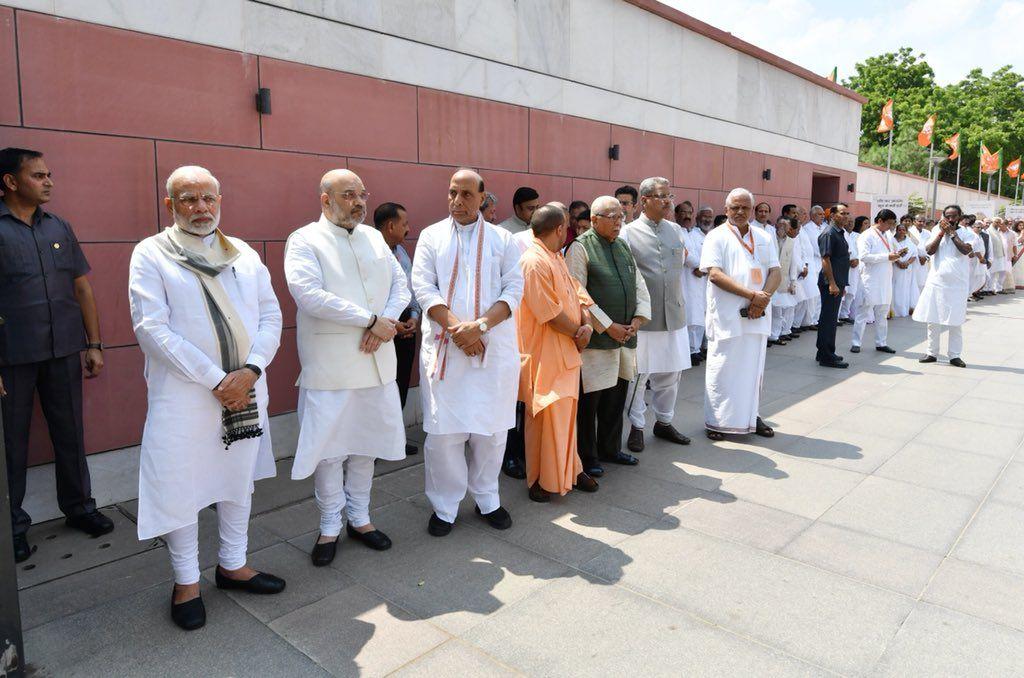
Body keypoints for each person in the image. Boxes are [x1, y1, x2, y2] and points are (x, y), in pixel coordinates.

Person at [129, 166, 284, 631]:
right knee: (181, 482)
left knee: (238, 477)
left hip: (247, 389)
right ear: (170, 205)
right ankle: (186, 581)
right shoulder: (151, 253)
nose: (201, 208)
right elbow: (151, 328)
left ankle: (233, 565)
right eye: (189, 199)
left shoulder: (243, 254)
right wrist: (218, 380)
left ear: (220, 200)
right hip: (185, 394)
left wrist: (250, 370)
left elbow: (272, 314)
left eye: (208, 199)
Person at [285, 171, 410, 567]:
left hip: (376, 361)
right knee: (330, 453)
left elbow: (401, 286)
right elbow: (308, 295)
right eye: (348, 195)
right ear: (325, 199)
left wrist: (386, 321)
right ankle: (328, 526)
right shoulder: (304, 239)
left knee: (365, 447)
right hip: (331, 367)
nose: (358, 202)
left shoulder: (374, 237)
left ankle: (360, 519)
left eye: (362, 195)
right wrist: (369, 320)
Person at [0, 147, 113, 564]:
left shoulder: (59, 226)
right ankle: (11, 527)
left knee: (70, 432)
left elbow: (81, 287)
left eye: (49, 174)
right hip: (12, 357)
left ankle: (81, 508)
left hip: (64, 348)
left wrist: (94, 344)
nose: (48, 181)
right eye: (37, 175)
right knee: (11, 445)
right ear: (11, 182)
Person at [411, 169, 523, 537]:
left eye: (465, 195)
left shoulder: (504, 239)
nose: (457, 201)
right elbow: (424, 288)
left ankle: (488, 498)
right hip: (448, 349)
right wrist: (461, 330)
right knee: (445, 434)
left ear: (483, 198)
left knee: (491, 432)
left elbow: (513, 290)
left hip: (492, 348)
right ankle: (445, 506)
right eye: (452, 193)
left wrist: (480, 327)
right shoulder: (431, 236)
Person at [517, 205, 599, 502]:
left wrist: (587, 324)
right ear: (560, 229)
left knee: (566, 418)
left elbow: (577, 293)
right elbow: (548, 313)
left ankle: (571, 470)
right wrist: (579, 332)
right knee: (545, 419)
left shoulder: (556, 256)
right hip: (545, 354)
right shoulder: (533, 261)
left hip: (567, 350)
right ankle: (540, 479)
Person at [567, 196, 650, 476]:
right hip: (598, 341)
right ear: (593, 219)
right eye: (612, 217)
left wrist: (637, 319)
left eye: (621, 217)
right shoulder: (580, 248)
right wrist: (607, 325)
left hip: (625, 337)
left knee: (617, 396)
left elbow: (638, 284)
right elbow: (577, 294)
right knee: (591, 402)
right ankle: (588, 456)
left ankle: (611, 449)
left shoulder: (623, 245)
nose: (618, 222)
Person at [701, 188, 780, 440]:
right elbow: (714, 274)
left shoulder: (764, 237)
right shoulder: (716, 236)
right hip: (727, 314)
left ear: (752, 210)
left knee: (753, 367)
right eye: (734, 207)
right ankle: (717, 422)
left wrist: (762, 298)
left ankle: (751, 415)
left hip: (757, 313)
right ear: (726, 210)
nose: (739, 212)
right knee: (723, 367)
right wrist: (752, 296)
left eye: (745, 207)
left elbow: (776, 272)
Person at [621, 177, 692, 452]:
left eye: (668, 195)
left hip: (674, 313)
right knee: (639, 376)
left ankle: (664, 422)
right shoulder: (628, 232)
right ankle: (637, 425)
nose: (667, 201)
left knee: (672, 373)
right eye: (661, 196)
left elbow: (681, 264)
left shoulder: (676, 230)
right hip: (645, 316)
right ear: (645, 200)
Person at [374, 201, 420, 455]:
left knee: (400, 383)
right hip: (379, 330)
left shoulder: (401, 253)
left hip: (405, 327)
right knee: (379, 388)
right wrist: (391, 325)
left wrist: (414, 316)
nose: (408, 228)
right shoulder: (370, 253)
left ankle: (395, 440)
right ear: (390, 226)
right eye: (404, 224)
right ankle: (374, 445)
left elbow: (409, 289)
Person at [914, 205, 973, 367]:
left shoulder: (967, 233)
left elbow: (966, 250)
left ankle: (954, 355)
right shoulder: (935, 230)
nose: (951, 219)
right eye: (948, 216)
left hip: (957, 284)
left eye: (954, 216)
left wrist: (952, 234)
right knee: (932, 319)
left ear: (960, 217)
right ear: (943, 217)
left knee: (956, 320)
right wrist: (941, 233)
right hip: (936, 281)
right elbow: (929, 250)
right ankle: (932, 353)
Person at [851, 209, 902, 354]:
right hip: (871, 279)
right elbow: (864, 256)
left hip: (885, 279)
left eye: (893, 224)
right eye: (889, 223)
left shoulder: (888, 235)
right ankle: (856, 342)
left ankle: (881, 342)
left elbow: (893, 252)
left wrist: (898, 254)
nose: (891, 227)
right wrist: (887, 257)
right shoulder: (866, 236)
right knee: (863, 312)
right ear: (880, 221)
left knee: (882, 312)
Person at [816, 204, 851, 368]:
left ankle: (823, 351)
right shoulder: (829, 233)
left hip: (838, 282)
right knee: (828, 320)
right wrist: (832, 283)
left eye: (847, 213)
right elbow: (825, 259)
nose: (846, 216)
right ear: (832, 216)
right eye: (842, 213)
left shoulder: (839, 232)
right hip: (831, 283)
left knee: (829, 319)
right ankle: (826, 356)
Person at [676, 202, 707, 364]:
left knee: (698, 316)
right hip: (684, 280)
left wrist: (704, 267)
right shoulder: (675, 232)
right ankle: (687, 351)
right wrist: (700, 265)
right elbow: (684, 254)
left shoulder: (697, 234)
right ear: (676, 214)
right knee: (687, 316)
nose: (686, 215)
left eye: (689, 212)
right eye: (683, 212)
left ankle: (695, 349)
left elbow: (708, 254)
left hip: (700, 281)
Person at [769, 217, 800, 346]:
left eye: (785, 225)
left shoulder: (792, 241)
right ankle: (767, 335)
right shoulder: (769, 239)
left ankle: (774, 336)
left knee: (778, 310)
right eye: (780, 224)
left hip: (783, 280)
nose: (782, 227)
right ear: (776, 225)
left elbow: (794, 262)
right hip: (768, 279)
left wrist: (793, 282)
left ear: (789, 228)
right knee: (768, 310)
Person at [794, 205, 825, 330]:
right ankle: (801, 323)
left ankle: (811, 321)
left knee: (814, 296)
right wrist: (804, 265)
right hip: (806, 265)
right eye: (802, 213)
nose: (804, 216)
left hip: (815, 264)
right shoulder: (806, 228)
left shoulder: (822, 227)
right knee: (807, 296)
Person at [838, 215, 865, 323]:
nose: (850, 224)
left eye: (852, 222)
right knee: (842, 292)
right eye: (848, 221)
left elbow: (862, 250)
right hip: (843, 266)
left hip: (855, 267)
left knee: (851, 292)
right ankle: (838, 316)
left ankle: (845, 314)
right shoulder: (841, 233)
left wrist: (857, 259)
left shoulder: (858, 236)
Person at [891, 222, 917, 317]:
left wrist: (907, 263)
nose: (901, 231)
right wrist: (898, 262)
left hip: (907, 269)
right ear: (896, 231)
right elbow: (890, 253)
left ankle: (903, 311)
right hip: (895, 268)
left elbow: (914, 255)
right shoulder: (891, 241)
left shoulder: (910, 242)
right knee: (894, 288)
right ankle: (893, 311)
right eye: (899, 230)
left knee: (905, 290)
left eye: (903, 230)